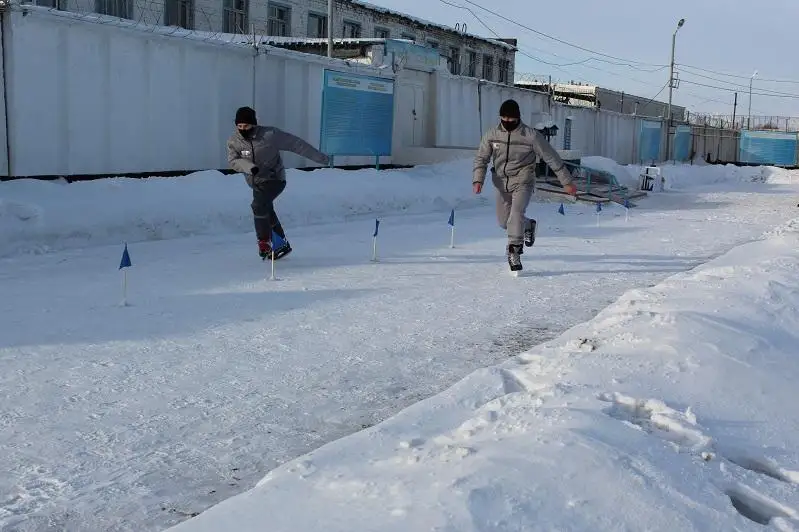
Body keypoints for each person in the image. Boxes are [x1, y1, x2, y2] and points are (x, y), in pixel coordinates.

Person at [472, 99, 578, 272]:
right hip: (501, 182)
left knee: (516, 214)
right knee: (504, 222)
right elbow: (481, 158)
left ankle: (514, 252)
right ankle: (528, 225)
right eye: (504, 118)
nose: (507, 122)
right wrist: (478, 180)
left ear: (518, 118)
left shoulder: (531, 136)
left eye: (511, 119)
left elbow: (551, 157)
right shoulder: (492, 135)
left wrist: (566, 182)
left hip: (523, 181)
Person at [227, 106, 330, 260]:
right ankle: (281, 244)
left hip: (274, 179)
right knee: (266, 210)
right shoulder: (234, 141)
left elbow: (296, 144)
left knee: (258, 206)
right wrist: (249, 167)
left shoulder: (269, 135)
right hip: (256, 182)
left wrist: (321, 158)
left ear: (254, 124)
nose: (242, 129)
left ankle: (264, 242)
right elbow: (233, 160)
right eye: (239, 126)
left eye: (246, 126)